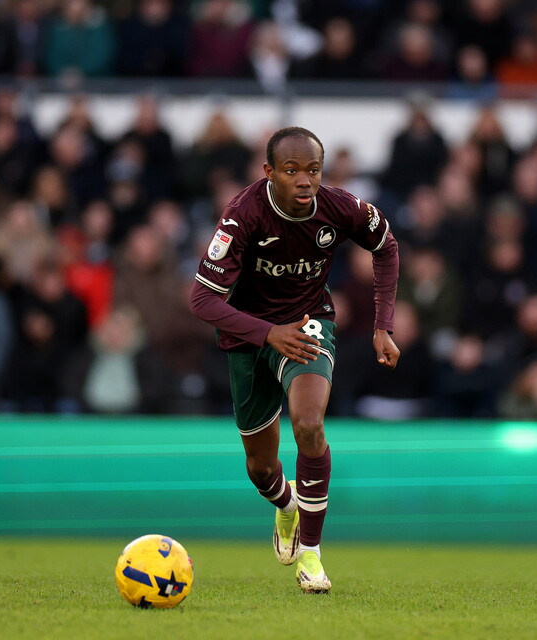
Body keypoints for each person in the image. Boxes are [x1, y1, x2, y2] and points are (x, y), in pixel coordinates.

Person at [189, 127, 400, 593]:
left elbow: (386, 246)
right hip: (249, 337)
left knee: (308, 424)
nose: (305, 181)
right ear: (269, 173)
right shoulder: (241, 217)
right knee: (261, 469)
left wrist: (382, 325)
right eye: (291, 171)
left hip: (307, 325)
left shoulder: (340, 206)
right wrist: (266, 333)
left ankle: (311, 553)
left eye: (313, 170)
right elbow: (202, 301)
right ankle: (286, 506)